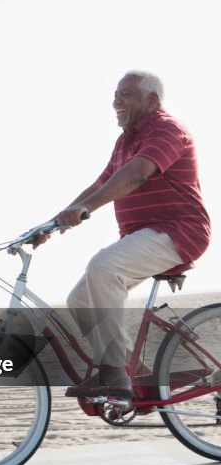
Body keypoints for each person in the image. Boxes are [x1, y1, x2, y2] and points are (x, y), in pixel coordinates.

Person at [35, 71, 210, 399]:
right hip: (145, 234)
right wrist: (53, 224)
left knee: (103, 268)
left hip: (178, 231)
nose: (116, 101)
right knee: (81, 298)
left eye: (126, 94)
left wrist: (86, 209)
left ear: (152, 100)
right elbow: (101, 184)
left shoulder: (167, 129)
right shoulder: (125, 141)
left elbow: (136, 175)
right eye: (115, 94)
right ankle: (136, 374)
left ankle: (114, 373)